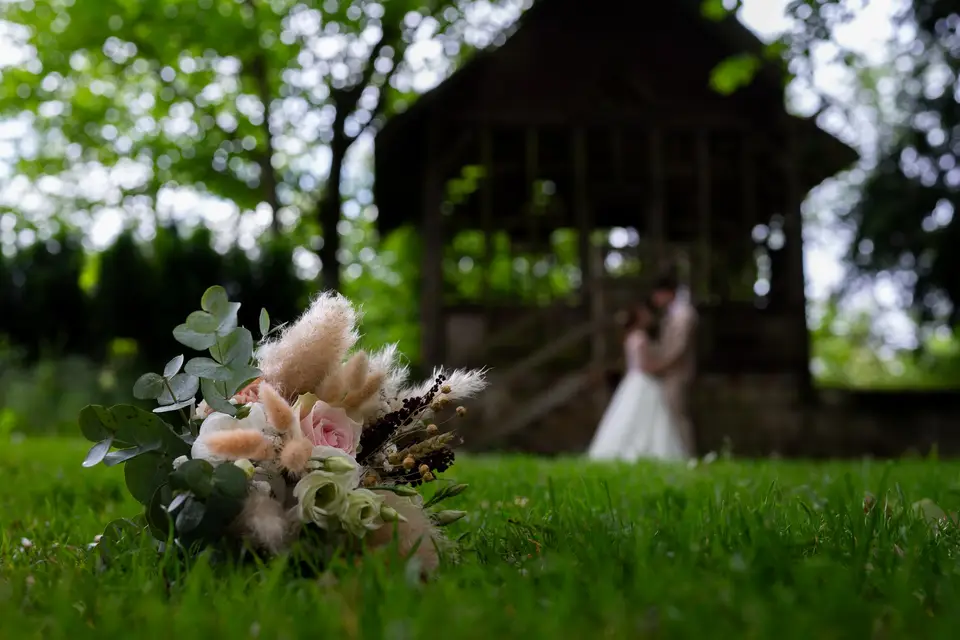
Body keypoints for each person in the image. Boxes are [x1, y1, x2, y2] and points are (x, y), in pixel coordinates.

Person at [586, 298, 688, 462]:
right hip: (642, 380)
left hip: (632, 380)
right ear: (638, 317)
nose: (648, 316)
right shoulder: (640, 337)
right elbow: (646, 365)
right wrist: (666, 364)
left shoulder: (630, 337)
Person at [641, 269, 698, 457]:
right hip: (669, 373)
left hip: (678, 373)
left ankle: (687, 454)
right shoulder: (671, 315)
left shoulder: (684, 314)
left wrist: (659, 365)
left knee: (679, 415)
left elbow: (678, 349)